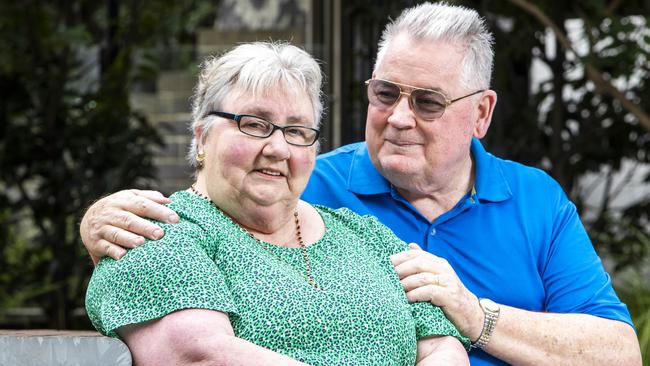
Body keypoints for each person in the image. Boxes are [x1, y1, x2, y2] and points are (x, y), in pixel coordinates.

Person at [80, 3, 642, 366]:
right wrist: (96, 223)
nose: (398, 117)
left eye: (426, 101)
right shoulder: (308, 183)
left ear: (481, 114)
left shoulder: (535, 200)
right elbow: (210, 211)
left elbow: (617, 354)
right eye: (385, 94)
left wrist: (475, 315)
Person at [85, 41, 471, 366]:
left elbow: (442, 345)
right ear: (202, 137)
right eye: (254, 124)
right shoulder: (155, 233)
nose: (278, 148)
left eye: (297, 131)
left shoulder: (364, 235)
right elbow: (201, 355)